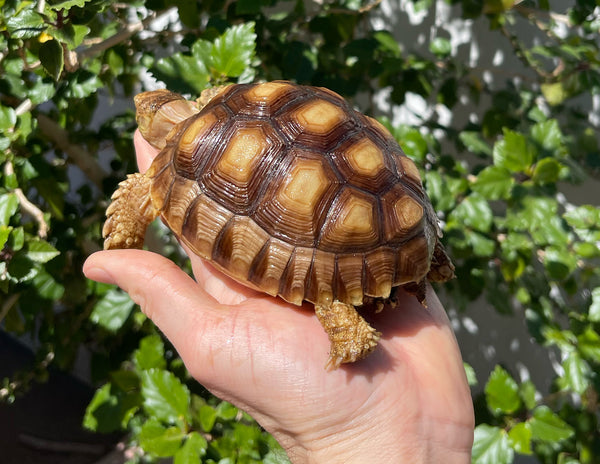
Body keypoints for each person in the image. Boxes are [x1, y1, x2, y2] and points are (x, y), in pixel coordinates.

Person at [84, 131, 475, 463]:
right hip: (405, 218)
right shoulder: (236, 101)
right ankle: (416, 263)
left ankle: (347, 323)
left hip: (322, 234)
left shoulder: (174, 159)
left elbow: (137, 201)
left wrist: (123, 237)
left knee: (326, 286)